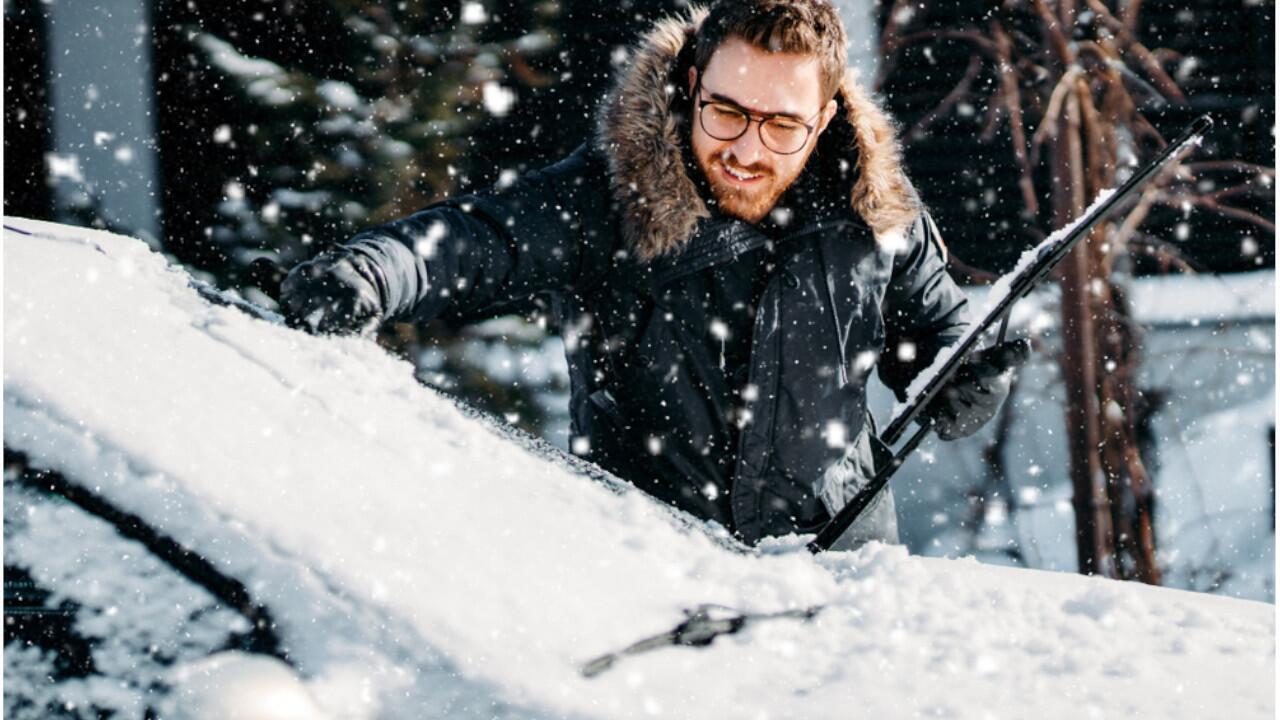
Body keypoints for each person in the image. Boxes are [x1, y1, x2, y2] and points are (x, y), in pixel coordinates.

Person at [279, 0, 1028, 549]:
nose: (747, 149)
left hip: (839, 573)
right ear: (690, 85)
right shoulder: (613, 196)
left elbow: (939, 337)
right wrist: (366, 274)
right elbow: (477, 239)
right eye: (726, 111)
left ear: (825, 119)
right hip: (650, 572)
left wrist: (965, 381)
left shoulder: (875, 213)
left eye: (782, 124)